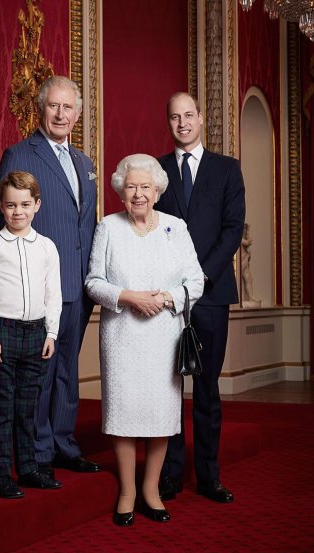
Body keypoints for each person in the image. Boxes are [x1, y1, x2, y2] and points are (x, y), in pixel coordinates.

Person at [0, 76, 101, 479]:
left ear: (77, 114)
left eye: (68, 108)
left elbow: (86, 224)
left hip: (80, 285)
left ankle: (64, 443)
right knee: (41, 375)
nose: (61, 114)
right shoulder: (20, 153)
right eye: (54, 106)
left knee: (68, 369)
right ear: (41, 109)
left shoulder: (84, 162)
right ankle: (37, 451)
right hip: (40, 285)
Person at [85, 154, 204, 526]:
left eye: (146, 187)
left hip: (163, 335)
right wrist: (129, 297)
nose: (139, 194)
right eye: (131, 186)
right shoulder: (108, 226)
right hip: (121, 334)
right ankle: (127, 491)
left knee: (160, 414)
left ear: (157, 190)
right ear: (121, 190)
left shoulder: (176, 227)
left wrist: (166, 298)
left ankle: (151, 489)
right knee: (123, 413)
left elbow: (196, 281)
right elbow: (93, 282)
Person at [156, 92, 245, 503]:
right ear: (169, 122)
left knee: (207, 388)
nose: (182, 123)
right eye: (175, 117)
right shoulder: (154, 171)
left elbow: (232, 231)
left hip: (210, 295)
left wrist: (200, 278)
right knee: (170, 388)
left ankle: (209, 475)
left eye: (188, 115)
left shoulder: (227, 170)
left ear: (201, 119)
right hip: (168, 298)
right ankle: (171, 474)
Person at [0, 171, 63, 498]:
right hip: (3, 333)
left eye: (25, 204)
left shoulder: (48, 248)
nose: (18, 212)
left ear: (37, 205)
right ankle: (0, 474)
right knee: (1, 408)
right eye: (11, 205)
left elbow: (54, 293)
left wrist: (51, 332)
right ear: (1, 206)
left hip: (36, 334)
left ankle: (27, 469)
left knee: (27, 408)